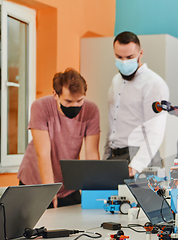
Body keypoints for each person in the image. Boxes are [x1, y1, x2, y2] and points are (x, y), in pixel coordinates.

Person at [17, 69, 100, 208]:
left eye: (79, 101)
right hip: (35, 183)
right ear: (56, 95)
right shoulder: (40, 106)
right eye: (68, 101)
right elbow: (43, 153)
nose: (74, 106)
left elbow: (92, 152)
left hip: (68, 185)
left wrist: (94, 191)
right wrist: (50, 190)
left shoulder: (91, 110)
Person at [104, 31, 169, 177]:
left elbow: (155, 131)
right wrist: (106, 156)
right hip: (115, 157)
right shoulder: (116, 80)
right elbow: (113, 123)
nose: (124, 62)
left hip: (140, 159)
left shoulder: (154, 84)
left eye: (129, 57)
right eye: (119, 57)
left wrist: (136, 166)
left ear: (140, 53)